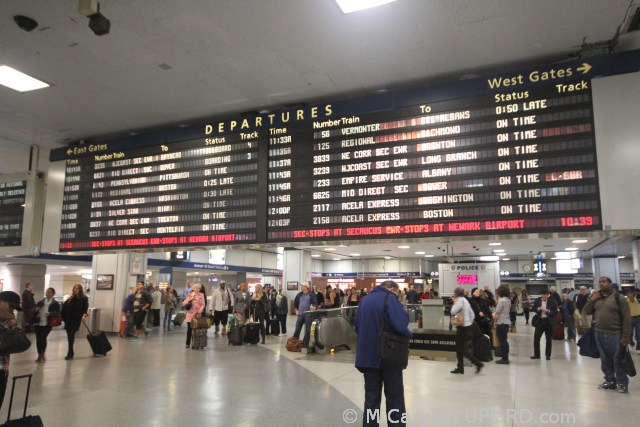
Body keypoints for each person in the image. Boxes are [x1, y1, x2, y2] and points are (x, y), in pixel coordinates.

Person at [355, 280, 412, 426]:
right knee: (395, 398)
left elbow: (357, 325)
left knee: (371, 399)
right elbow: (400, 324)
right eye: (397, 293)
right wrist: (409, 335)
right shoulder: (390, 299)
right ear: (392, 289)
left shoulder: (364, 300)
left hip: (367, 357)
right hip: (389, 357)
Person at [584, 276, 632, 393]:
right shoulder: (596, 297)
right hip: (599, 332)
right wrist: (592, 299)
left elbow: (626, 317)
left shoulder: (619, 298)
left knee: (618, 359)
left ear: (610, 283)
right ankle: (610, 380)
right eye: (600, 282)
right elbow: (587, 310)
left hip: (616, 333)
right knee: (605, 359)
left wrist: (626, 335)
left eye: (604, 282)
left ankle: (622, 382)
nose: (601, 284)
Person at [450, 287, 483, 374]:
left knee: (461, 349)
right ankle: (460, 368)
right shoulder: (466, 300)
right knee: (460, 348)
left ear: (456, 293)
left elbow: (453, 312)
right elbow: (472, 314)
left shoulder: (460, 300)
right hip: (468, 327)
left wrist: (454, 303)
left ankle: (477, 363)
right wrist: (469, 322)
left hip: (462, 328)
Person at [0, 291, 21, 412]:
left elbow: (18, 345)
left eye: (14, 309)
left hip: (2, 370)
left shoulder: (7, 323)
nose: (12, 311)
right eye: (11, 307)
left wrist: (13, 329)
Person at [61, 284, 89, 360]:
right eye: (74, 288)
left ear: (80, 290)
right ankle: (71, 351)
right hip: (68, 319)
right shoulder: (71, 298)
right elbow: (64, 307)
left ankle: (70, 351)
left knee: (71, 335)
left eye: (77, 288)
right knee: (69, 335)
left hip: (75, 319)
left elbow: (85, 309)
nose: (75, 290)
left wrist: (84, 315)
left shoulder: (84, 298)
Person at [33, 287, 61, 363]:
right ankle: (39, 354)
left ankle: (43, 354)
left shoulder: (55, 303)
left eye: (49, 292)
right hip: (39, 322)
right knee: (38, 339)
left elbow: (58, 312)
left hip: (48, 323)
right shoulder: (41, 301)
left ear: (53, 294)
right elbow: (34, 309)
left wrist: (50, 313)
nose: (47, 293)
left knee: (43, 338)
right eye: (47, 292)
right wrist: (36, 309)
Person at [531, 290, 558, 360]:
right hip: (540, 321)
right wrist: (538, 309)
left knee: (548, 339)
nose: (543, 296)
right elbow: (533, 308)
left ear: (547, 295)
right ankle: (537, 354)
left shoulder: (553, 301)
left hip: (548, 322)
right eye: (542, 294)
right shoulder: (537, 300)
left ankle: (548, 355)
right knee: (536, 338)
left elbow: (555, 312)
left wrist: (547, 310)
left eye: (545, 294)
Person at [492, 284, 511, 364]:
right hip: (507, 321)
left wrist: (494, 319)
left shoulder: (501, 300)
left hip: (501, 322)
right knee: (504, 340)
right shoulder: (508, 300)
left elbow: (497, 312)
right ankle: (505, 357)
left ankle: (504, 358)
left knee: (502, 341)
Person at [182, 284, 205, 348]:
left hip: (197, 315)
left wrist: (200, 311)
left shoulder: (202, 295)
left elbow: (203, 304)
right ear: (193, 288)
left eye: (198, 288)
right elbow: (183, 304)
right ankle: (187, 343)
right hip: (190, 314)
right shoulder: (190, 294)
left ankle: (195, 343)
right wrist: (190, 299)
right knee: (189, 329)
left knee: (196, 330)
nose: (197, 289)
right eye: (196, 288)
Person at [627, 289, 640, 354]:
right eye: (629, 297)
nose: (630, 298)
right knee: (630, 333)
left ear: (634, 296)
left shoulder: (638, 300)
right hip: (630, 318)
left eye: (631, 297)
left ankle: (638, 348)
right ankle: (631, 342)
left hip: (638, 318)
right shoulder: (626, 302)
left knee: (638, 334)